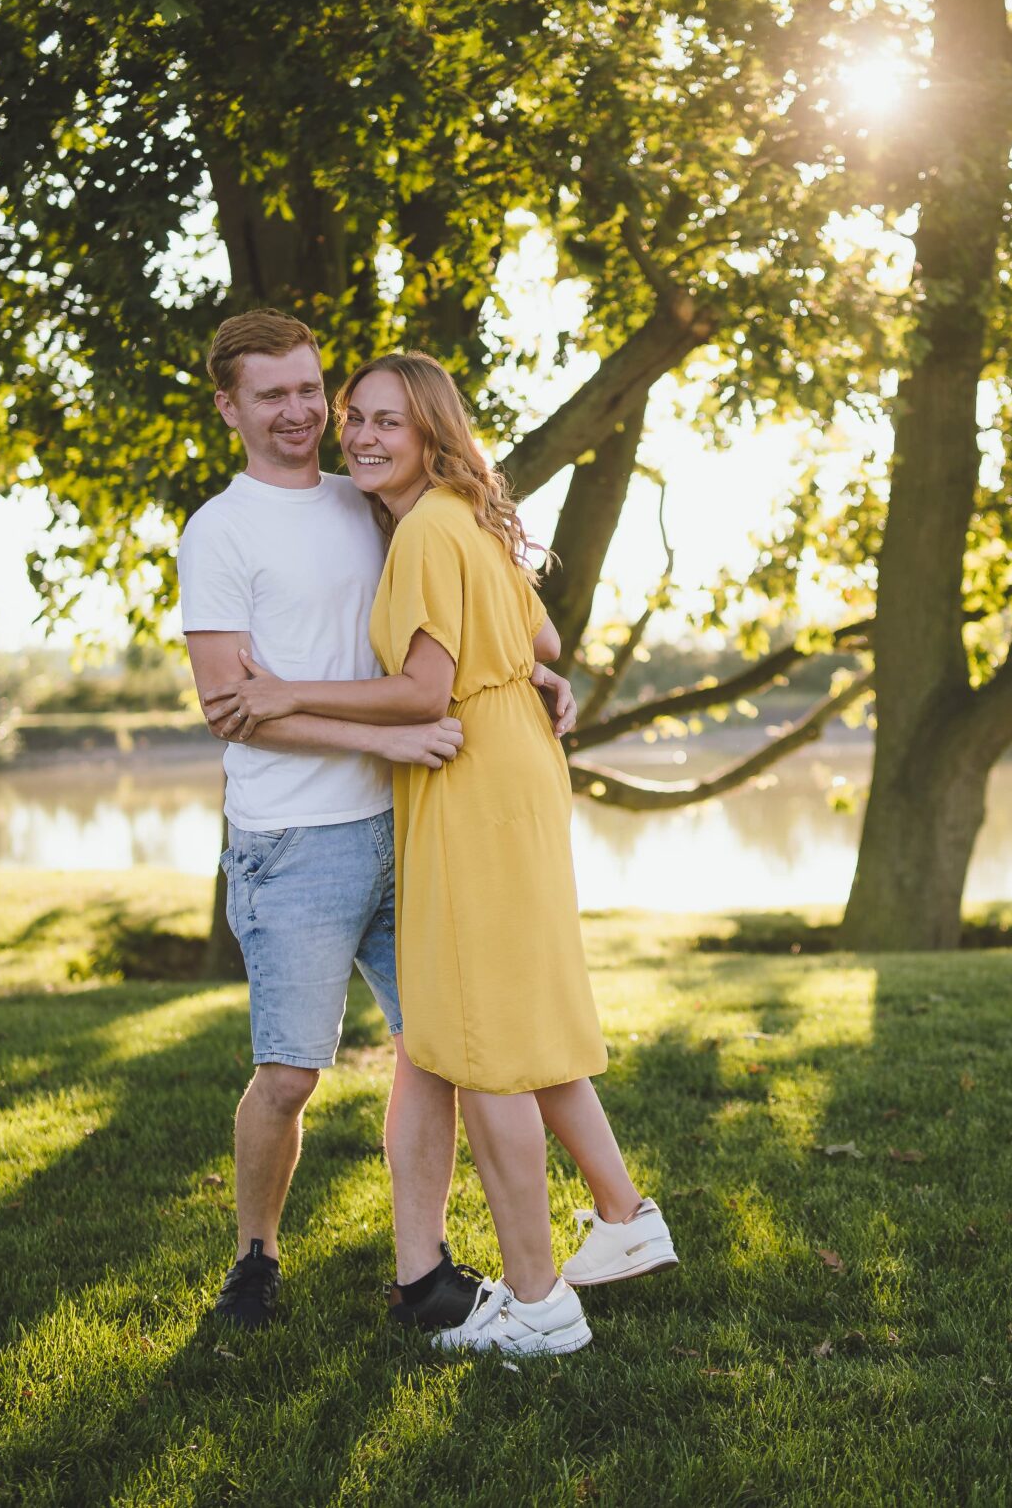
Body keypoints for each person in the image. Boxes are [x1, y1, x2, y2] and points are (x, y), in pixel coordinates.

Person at [207, 351, 677, 1358]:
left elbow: (424, 693)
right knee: (500, 1018)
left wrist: (288, 691)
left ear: (432, 431)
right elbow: (541, 645)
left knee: (485, 1041)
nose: (363, 437)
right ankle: (623, 1220)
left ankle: (539, 1305)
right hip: (511, 764)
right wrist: (525, 683)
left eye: (388, 422)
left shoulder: (423, 528)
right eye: (354, 418)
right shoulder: (466, 512)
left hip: (466, 775)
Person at [177, 310, 567, 1335]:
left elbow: (468, 612)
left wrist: (534, 676)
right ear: (230, 408)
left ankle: (423, 1270)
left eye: (313, 391)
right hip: (293, 840)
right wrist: (387, 742)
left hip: (411, 826)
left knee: (435, 1049)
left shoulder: (374, 501)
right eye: (274, 395)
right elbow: (232, 705)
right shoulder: (219, 532)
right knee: (290, 1071)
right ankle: (254, 1256)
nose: (303, 412)